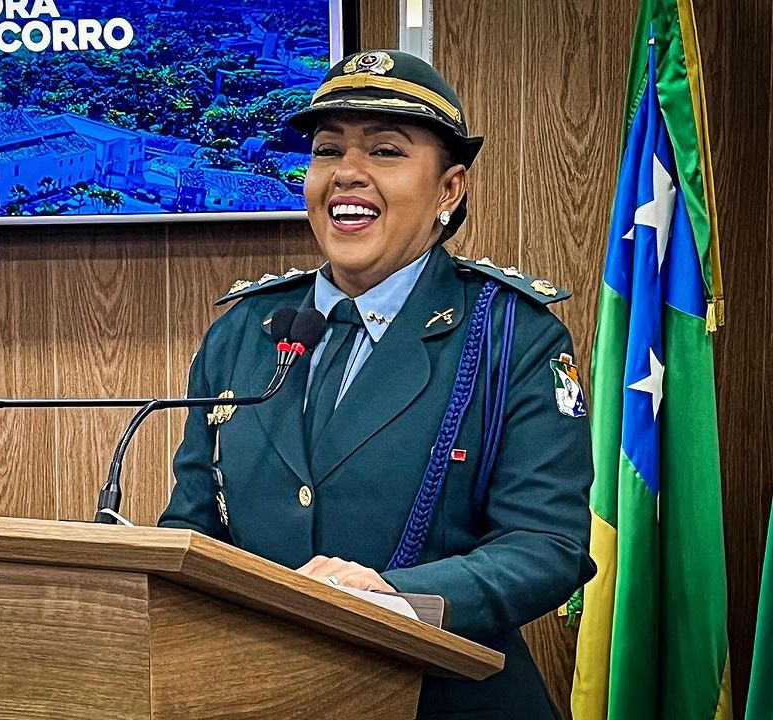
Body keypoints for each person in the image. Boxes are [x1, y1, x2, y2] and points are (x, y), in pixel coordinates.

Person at [158, 49, 595, 720]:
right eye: (327, 151)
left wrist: (391, 597)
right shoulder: (243, 331)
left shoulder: (511, 334)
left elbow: (547, 546)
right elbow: (193, 525)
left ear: (448, 191)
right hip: (258, 696)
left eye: (386, 151)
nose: (347, 173)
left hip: (442, 699)